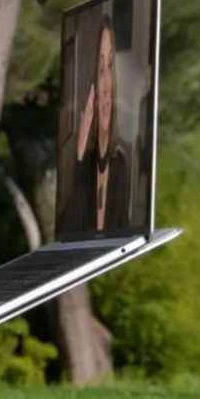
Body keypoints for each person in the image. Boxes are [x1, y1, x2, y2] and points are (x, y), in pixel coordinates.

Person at [62, 17, 134, 236]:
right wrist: (79, 155)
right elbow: (68, 232)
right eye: (100, 69)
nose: (106, 88)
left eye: (110, 66)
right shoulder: (79, 161)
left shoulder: (119, 165)